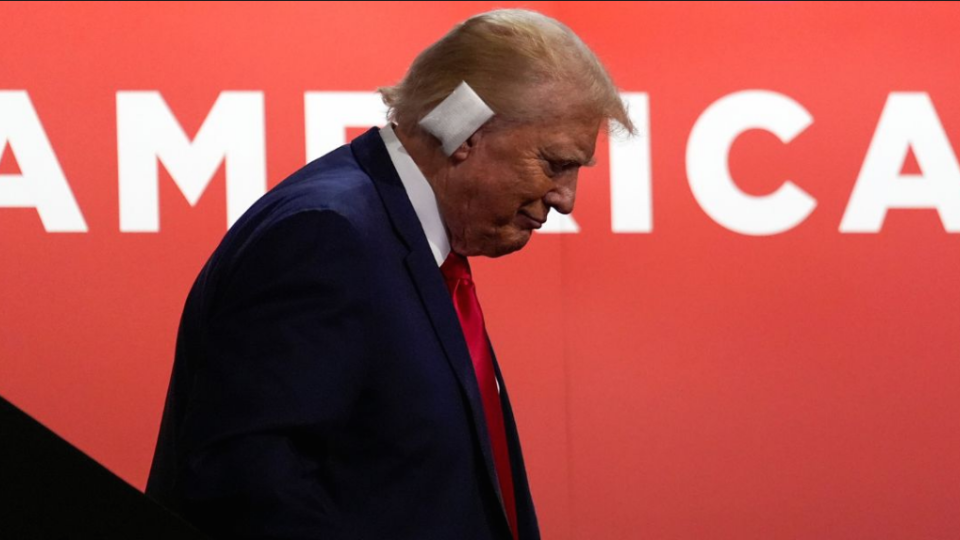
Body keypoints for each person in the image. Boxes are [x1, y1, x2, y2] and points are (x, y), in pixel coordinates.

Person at [146, 8, 633, 540]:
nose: (566, 199)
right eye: (555, 163)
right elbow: (246, 488)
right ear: (465, 132)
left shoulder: (408, 244)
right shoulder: (328, 237)